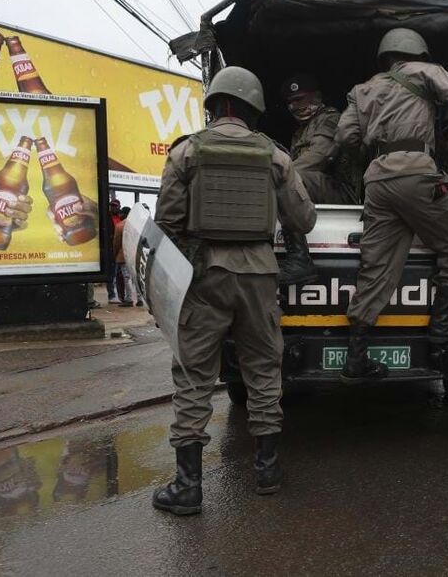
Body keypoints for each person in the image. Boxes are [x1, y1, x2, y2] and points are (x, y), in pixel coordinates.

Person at [152, 66, 316, 515]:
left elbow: (165, 223)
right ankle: (266, 471)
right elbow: (303, 220)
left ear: (215, 105)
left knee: (193, 376)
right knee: (264, 370)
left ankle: (188, 487)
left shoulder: (187, 152)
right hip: (260, 276)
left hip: (204, 277)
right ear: (253, 108)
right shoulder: (275, 156)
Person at [335, 27, 448, 383]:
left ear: (384, 56)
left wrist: (377, 150)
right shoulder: (426, 72)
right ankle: (443, 323)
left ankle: (356, 357)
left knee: (378, 266)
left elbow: (345, 137)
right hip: (417, 171)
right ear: (417, 52)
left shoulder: (362, 90)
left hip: (377, 181)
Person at [275, 73, 359, 286]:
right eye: (290, 103)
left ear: (316, 97)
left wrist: (278, 175)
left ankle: (299, 259)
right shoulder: (301, 131)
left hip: (342, 193)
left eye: (299, 99)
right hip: (318, 192)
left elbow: (318, 158)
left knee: (294, 177)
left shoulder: (330, 119)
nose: (294, 106)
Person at [113, 206, 133, 307]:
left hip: (122, 256)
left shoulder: (119, 226)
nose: (119, 215)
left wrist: (114, 254)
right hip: (133, 255)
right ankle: (137, 298)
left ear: (125, 214)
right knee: (131, 278)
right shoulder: (134, 225)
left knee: (124, 278)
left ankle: (128, 299)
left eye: (121, 213)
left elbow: (116, 243)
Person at [106, 199, 121, 304]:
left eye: (115, 206)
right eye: (112, 206)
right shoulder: (107, 218)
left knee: (122, 275)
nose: (113, 208)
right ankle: (111, 295)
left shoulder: (121, 218)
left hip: (121, 250)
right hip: (111, 249)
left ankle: (122, 296)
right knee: (111, 273)